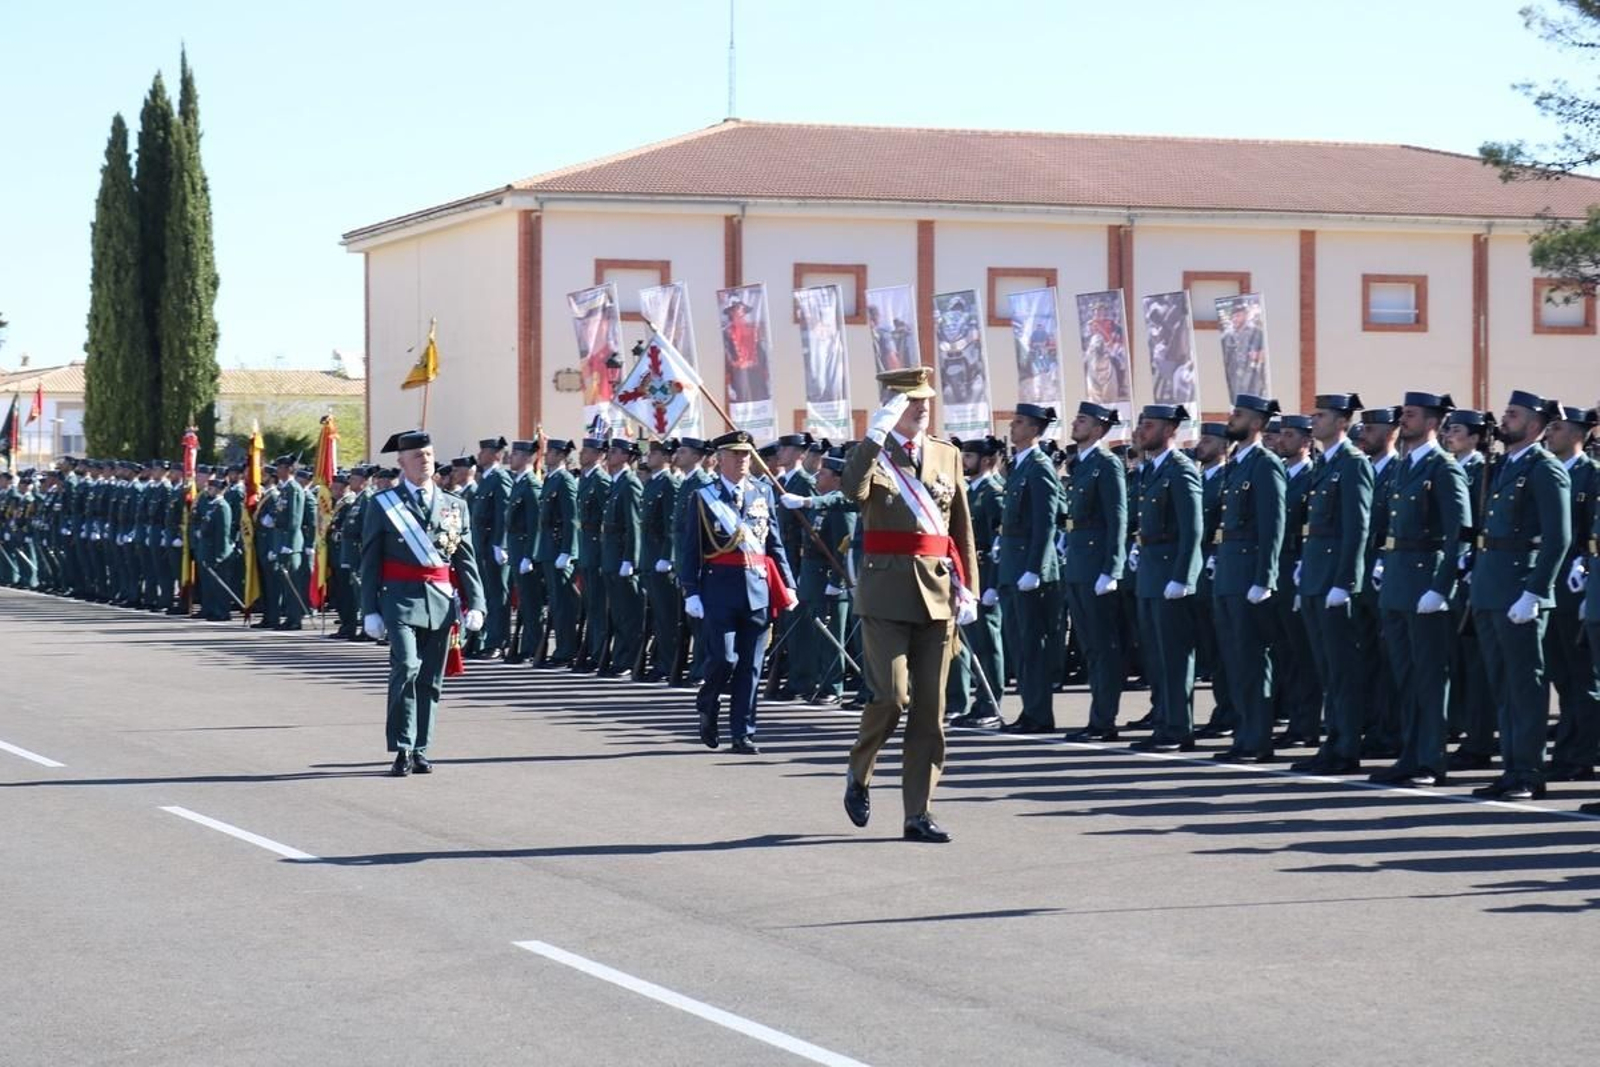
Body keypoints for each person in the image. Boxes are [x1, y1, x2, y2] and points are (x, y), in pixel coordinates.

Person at [840, 367, 979, 843]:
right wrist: (874, 436)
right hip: (885, 593)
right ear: (891, 406)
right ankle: (859, 772)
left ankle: (917, 812)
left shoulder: (947, 454)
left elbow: (961, 526)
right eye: (911, 400)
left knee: (930, 711)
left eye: (925, 400)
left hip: (938, 593)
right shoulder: (873, 454)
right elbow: (850, 492)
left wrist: (970, 587)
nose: (922, 407)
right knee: (892, 696)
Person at [360, 430, 487, 777]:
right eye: (417, 456)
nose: (425, 460)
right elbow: (369, 560)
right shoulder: (383, 504)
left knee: (431, 679)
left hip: (440, 602)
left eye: (429, 454)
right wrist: (369, 609)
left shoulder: (454, 504)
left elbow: (465, 558)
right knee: (406, 667)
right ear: (401, 463)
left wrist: (476, 603)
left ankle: (420, 748)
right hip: (399, 600)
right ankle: (401, 747)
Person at [1470, 391, 1572, 800]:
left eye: (1513, 415)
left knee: (1525, 686)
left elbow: (1558, 538)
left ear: (1533, 426)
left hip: (1519, 591)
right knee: (1503, 684)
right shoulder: (1506, 465)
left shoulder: (1544, 468)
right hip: (1491, 588)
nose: (1504, 419)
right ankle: (1511, 768)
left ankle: (1528, 773)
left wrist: (1535, 592)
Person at [1370, 392, 1470, 788]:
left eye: (1410, 415)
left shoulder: (1442, 467)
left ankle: (1430, 760)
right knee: (1405, 677)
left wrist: (1441, 587)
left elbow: (1458, 535)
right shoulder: (1402, 467)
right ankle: (1410, 755)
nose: (1403, 420)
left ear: (1431, 422)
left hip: (1425, 583)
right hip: (1397, 581)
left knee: (1429, 677)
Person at [678, 430, 797, 756]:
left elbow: (774, 542)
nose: (744, 460)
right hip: (718, 589)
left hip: (757, 587)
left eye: (747, 454)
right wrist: (690, 589)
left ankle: (743, 733)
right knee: (725, 658)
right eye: (737, 455)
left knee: (752, 666)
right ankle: (707, 700)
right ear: (721, 459)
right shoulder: (704, 497)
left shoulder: (762, 492)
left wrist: (787, 582)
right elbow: (690, 547)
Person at [1291, 394, 1374, 775]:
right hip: (1314, 579)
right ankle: (1332, 742)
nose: (1314, 421)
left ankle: (1345, 749)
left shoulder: (1353, 464)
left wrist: (1346, 581)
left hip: (1333, 584)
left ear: (1342, 421)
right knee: (1326, 669)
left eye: (1321, 415)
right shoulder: (1326, 464)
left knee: (1342, 670)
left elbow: (1357, 529)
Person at [1212, 393, 1287, 763]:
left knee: (1252, 660)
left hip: (1249, 576)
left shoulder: (1265, 464)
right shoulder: (1237, 463)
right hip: (1228, 574)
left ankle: (1258, 739)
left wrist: (1265, 577)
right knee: (1235, 661)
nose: (1231, 418)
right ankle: (1244, 735)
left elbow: (1273, 526)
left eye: (1238, 415)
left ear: (1256, 424)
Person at [1128, 404, 1203, 751]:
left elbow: (1193, 529)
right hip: (1150, 571)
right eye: (1142, 424)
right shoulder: (1149, 470)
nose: (1142, 430)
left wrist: (1184, 576)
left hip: (1171, 571)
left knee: (1174, 655)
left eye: (1150, 425)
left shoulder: (1180, 469)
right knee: (1156, 655)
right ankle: (1163, 720)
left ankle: (1178, 728)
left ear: (1170, 429)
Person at [1059, 401, 1128, 742]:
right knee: (1089, 647)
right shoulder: (1081, 464)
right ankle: (1096, 717)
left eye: (1082, 420)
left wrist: (1112, 567)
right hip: (1078, 566)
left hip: (1097, 567)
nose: (1075, 423)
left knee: (1104, 646)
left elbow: (1118, 518)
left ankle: (1104, 720)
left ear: (1099, 429)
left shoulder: (1107, 464)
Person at [999, 403, 1065, 733]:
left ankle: (1039, 714)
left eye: (1020, 422)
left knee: (1032, 643)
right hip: (1012, 564)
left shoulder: (1039, 466)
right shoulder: (1019, 465)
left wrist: (1035, 568)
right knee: (1018, 643)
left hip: (1028, 566)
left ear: (1036, 430)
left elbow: (1046, 522)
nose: (1013, 427)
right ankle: (1029, 709)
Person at [1542, 405, 1599, 782]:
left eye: (1559, 428)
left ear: (1579, 433)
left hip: (1579, 583)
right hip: (1551, 583)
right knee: (1561, 673)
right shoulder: (1548, 471)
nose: (1551, 433)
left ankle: (1582, 751)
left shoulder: (1590, 474)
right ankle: (1568, 746)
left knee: (1583, 677)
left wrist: (1585, 564)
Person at [600, 437, 645, 678]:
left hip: (621, 557)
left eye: (615, 451)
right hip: (611, 555)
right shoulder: (616, 483)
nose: (610, 454)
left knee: (629, 613)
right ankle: (620, 656)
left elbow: (633, 525)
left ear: (627, 456)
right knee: (617, 612)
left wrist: (630, 558)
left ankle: (630, 659)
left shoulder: (630, 484)